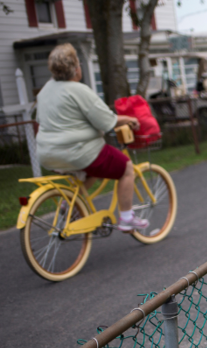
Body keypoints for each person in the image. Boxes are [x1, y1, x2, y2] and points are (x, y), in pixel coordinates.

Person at [36, 43, 149, 232]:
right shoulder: (78, 90)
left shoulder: (46, 90)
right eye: (79, 63)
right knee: (126, 168)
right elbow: (106, 121)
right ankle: (127, 218)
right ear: (74, 68)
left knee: (92, 170)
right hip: (77, 151)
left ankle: (71, 205)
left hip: (47, 153)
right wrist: (129, 119)